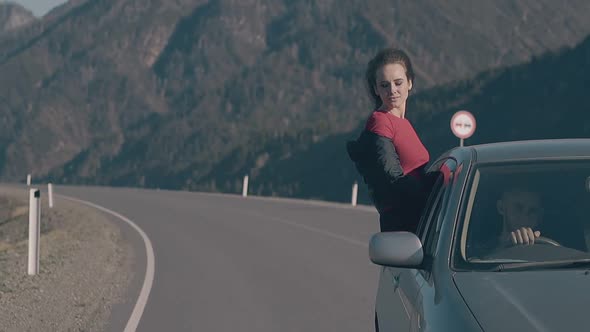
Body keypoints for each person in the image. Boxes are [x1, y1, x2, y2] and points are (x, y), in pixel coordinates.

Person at [346, 48, 432, 233]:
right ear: (376, 89)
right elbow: (392, 176)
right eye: (384, 85)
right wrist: (433, 196)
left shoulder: (404, 123)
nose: (392, 90)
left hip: (419, 219)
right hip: (403, 224)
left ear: (409, 83)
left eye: (398, 83)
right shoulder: (381, 121)